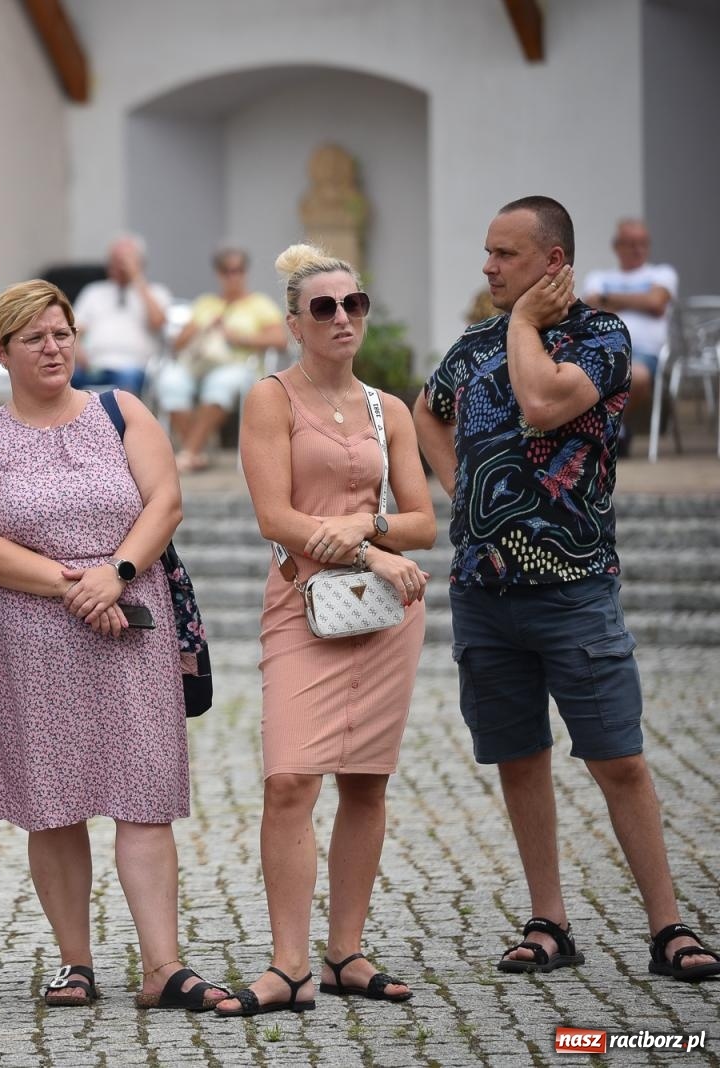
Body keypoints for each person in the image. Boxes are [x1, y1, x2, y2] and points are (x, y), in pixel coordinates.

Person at [414, 195, 720, 984]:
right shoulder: (474, 341)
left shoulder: (602, 337)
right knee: (520, 756)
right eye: (487, 253)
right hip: (484, 591)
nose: (488, 267)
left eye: (505, 255)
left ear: (552, 263)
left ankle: (669, 929)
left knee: (618, 759)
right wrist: (465, 498)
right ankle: (550, 922)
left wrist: (522, 328)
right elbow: (427, 410)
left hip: (574, 589)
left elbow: (544, 399)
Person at [0, 279, 229, 1013]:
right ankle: (77, 963)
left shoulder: (120, 410)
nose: (52, 347)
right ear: (2, 351)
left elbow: (165, 501)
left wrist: (116, 574)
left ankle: (163, 965)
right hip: (31, 637)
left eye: (62, 333)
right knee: (54, 802)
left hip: (130, 623)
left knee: (144, 796)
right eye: (34, 337)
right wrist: (74, 586)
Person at [215, 244, 436, 1018]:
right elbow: (274, 517)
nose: (343, 318)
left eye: (355, 304)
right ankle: (289, 965)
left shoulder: (390, 409)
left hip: (384, 616)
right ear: (294, 323)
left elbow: (425, 523)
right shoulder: (269, 400)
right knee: (289, 781)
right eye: (324, 307)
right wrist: (375, 547)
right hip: (303, 605)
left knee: (366, 782)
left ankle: (346, 952)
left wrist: (371, 527)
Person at [158, 246, 287, 472]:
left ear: (245, 272)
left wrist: (239, 337)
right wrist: (203, 327)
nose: (233, 276)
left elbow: (279, 340)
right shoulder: (206, 303)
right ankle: (197, 450)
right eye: (227, 271)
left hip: (238, 365)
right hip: (198, 365)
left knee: (220, 384)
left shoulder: (259, 303)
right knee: (169, 381)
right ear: (219, 274)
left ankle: (190, 451)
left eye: (238, 270)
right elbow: (177, 344)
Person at [581, 218, 678, 444]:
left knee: (638, 375)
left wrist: (610, 299)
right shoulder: (598, 277)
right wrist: (639, 301)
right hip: (599, 349)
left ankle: (612, 426)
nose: (638, 249)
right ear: (617, 246)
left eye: (643, 243)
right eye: (631, 243)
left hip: (645, 354)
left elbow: (656, 303)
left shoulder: (662, 273)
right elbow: (591, 307)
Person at [69, 234, 171, 395]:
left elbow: (158, 322)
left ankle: (121, 420)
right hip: (94, 366)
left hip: (134, 367)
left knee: (125, 383)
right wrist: (78, 352)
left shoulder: (156, 292)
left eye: (126, 259)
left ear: (141, 262)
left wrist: (136, 277)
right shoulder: (93, 292)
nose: (119, 264)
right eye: (114, 259)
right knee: (60, 378)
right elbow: (73, 330)